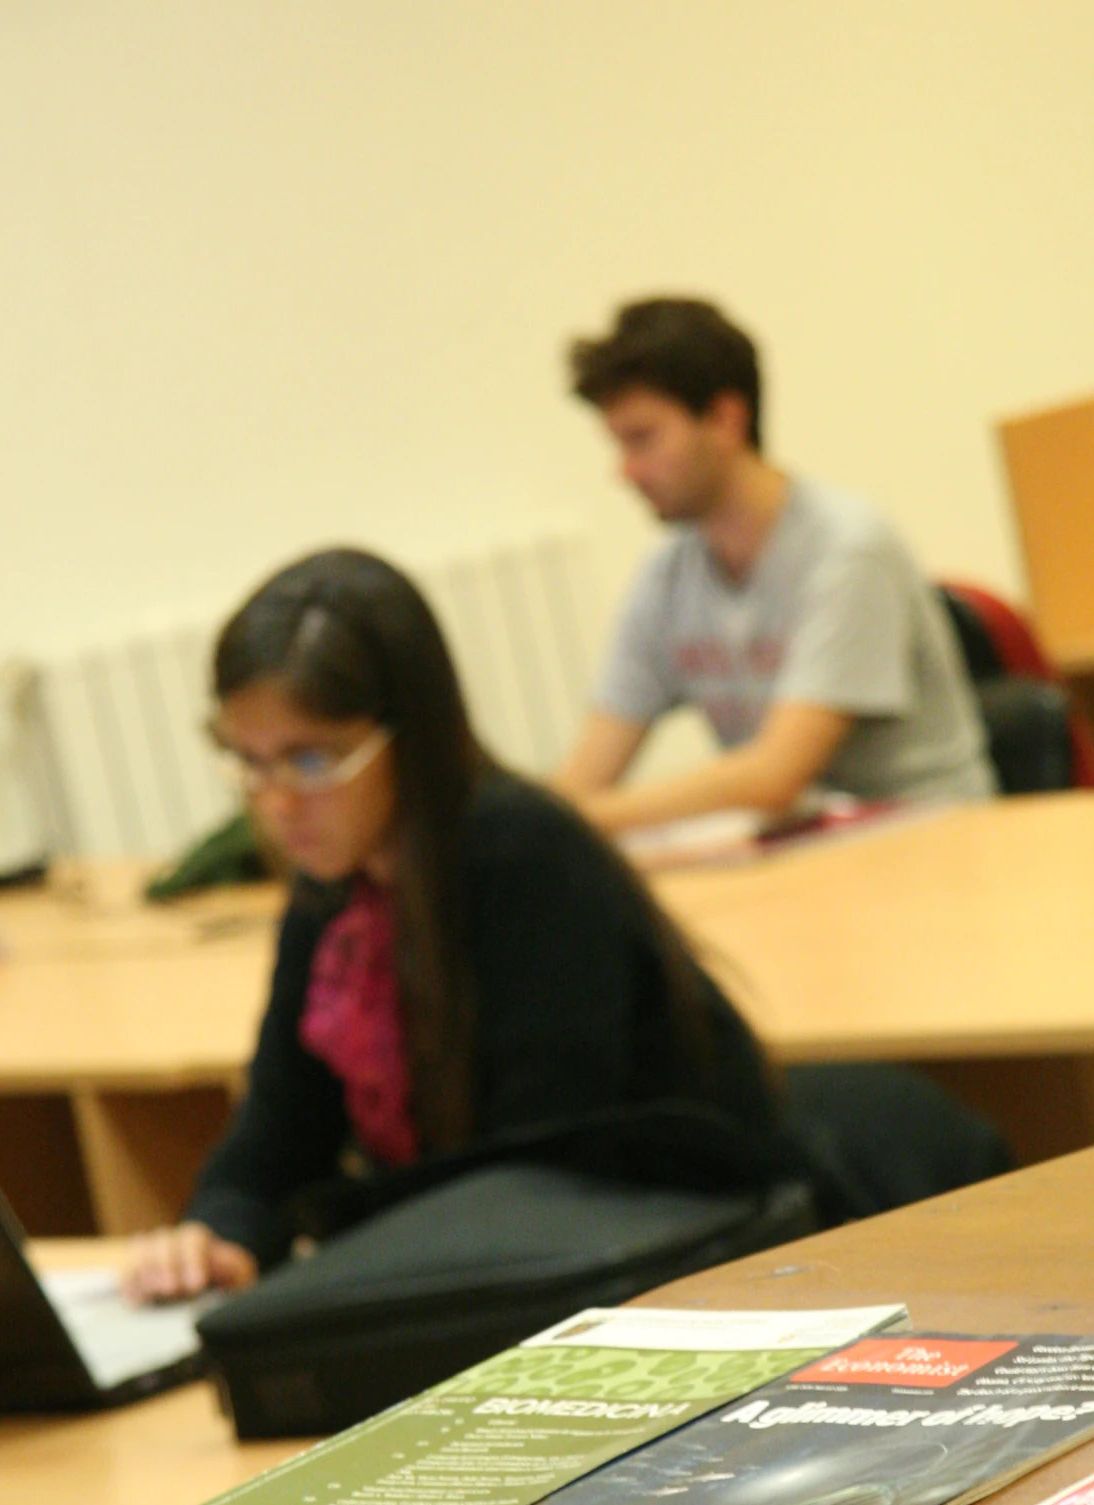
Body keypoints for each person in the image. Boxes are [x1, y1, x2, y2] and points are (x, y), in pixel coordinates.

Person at [122, 547, 793, 1301]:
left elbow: (536, 1174)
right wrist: (217, 1234)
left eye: (310, 762)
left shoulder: (525, 857)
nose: (276, 803)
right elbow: (279, 1132)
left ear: (407, 736)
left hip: (685, 1263)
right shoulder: (332, 892)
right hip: (494, 1262)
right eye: (248, 761)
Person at [553, 297, 997, 833]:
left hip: (930, 841)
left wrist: (573, 821)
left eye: (642, 439)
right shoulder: (666, 577)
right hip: (805, 846)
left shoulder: (848, 549)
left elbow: (775, 775)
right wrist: (546, 820)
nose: (625, 472)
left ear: (725, 419)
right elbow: (587, 771)